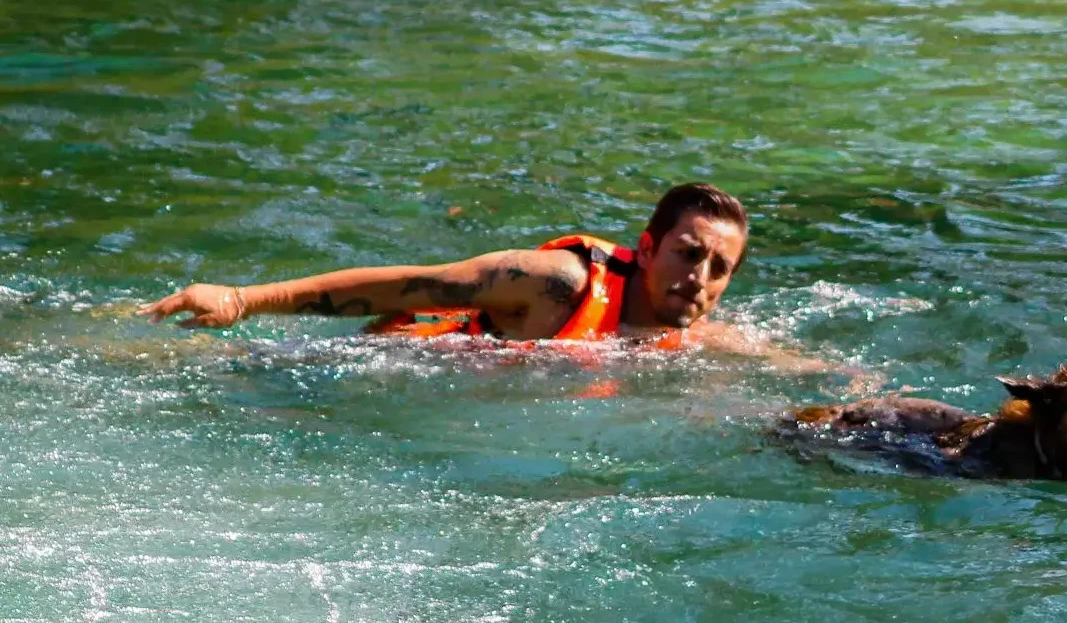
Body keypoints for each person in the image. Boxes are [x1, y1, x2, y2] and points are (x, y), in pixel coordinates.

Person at [140, 182, 752, 349]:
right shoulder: (557, 282)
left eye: (718, 268)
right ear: (646, 249)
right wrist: (243, 300)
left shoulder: (690, 334)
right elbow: (408, 286)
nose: (699, 279)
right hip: (374, 365)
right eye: (688, 253)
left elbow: (776, 366)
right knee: (162, 351)